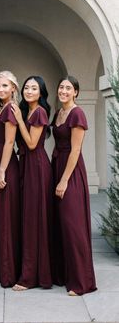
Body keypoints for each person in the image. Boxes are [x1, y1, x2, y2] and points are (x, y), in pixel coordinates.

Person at [51, 75, 97, 296]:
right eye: (61, 87)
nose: (64, 91)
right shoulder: (58, 113)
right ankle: (64, 275)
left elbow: (76, 150)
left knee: (73, 225)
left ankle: (82, 282)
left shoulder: (77, 113)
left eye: (68, 88)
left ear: (76, 92)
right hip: (56, 165)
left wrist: (63, 180)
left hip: (70, 171)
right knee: (60, 225)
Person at [11, 76, 53, 291]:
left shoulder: (40, 113)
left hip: (37, 168)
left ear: (41, 93)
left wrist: (18, 119)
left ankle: (30, 277)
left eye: (33, 88)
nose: (28, 91)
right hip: (27, 166)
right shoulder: (28, 111)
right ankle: (31, 270)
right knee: (29, 219)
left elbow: (31, 143)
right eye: (26, 87)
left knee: (33, 220)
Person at [0, 70, 21, 287]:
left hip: (6, 165)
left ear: (13, 89)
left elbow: (10, 143)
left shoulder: (11, 109)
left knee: (7, 218)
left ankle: (8, 273)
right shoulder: (1, 108)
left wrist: (2, 171)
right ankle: (2, 268)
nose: (1, 89)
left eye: (5, 86)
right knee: (1, 217)